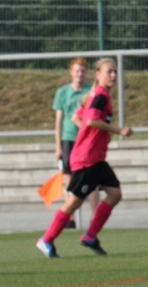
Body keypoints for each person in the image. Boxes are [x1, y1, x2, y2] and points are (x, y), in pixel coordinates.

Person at [37, 58, 133, 258]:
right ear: (98, 74)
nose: (113, 75)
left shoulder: (95, 94)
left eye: (115, 71)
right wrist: (117, 130)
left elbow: (77, 117)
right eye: (109, 71)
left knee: (115, 193)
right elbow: (91, 121)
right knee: (73, 202)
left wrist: (94, 135)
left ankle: (90, 236)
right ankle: (47, 239)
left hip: (96, 158)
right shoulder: (100, 96)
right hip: (87, 159)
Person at [53, 57, 97, 227]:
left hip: (87, 139)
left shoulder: (90, 90)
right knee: (69, 179)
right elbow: (59, 121)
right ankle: (69, 217)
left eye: (83, 71)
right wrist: (58, 146)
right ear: (71, 72)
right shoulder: (63, 92)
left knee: (91, 177)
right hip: (69, 138)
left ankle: (95, 216)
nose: (80, 74)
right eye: (77, 71)